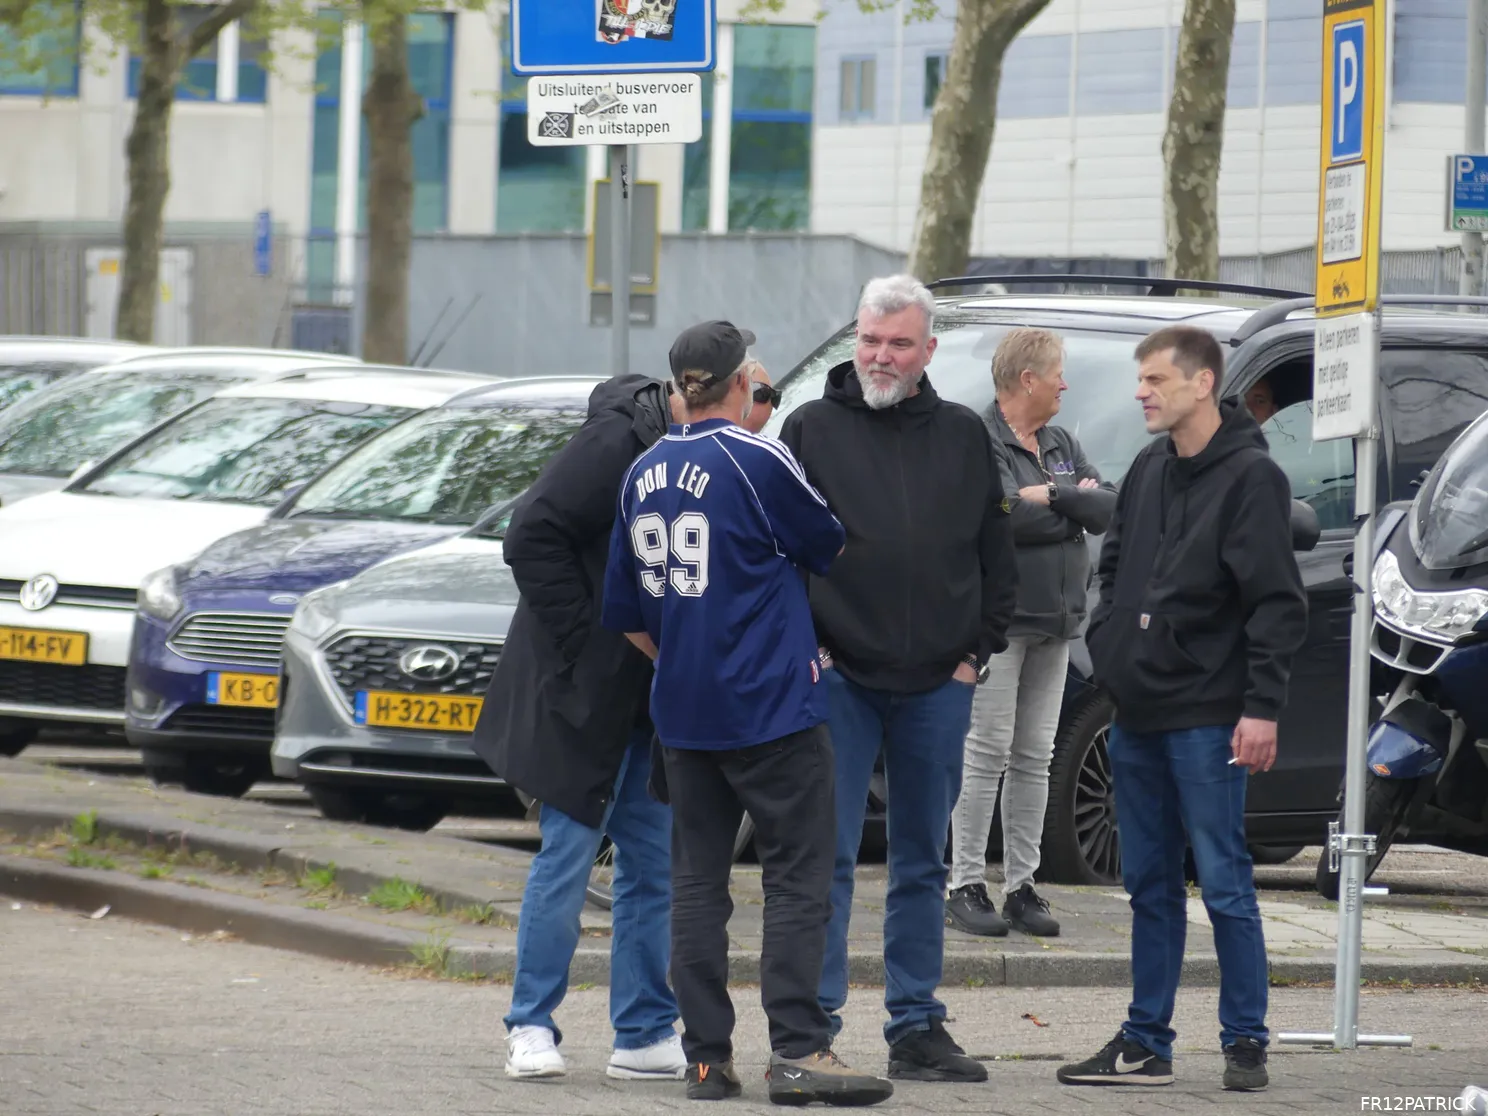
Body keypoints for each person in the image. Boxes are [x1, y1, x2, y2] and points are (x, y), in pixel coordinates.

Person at [603, 321, 893, 1108]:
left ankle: (705, 1059)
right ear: (739, 385)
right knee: (798, 879)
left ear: (674, 391)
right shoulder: (757, 455)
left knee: (696, 884)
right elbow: (827, 542)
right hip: (771, 706)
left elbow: (626, 610)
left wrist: (683, 655)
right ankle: (798, 1049)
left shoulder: (641, 472)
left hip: (683, 710)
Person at [779, 275, 1017, 1084]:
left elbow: (995, 553)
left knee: (924, 860)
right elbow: (776, 556)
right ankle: (814, 1031)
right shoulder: (808, 428)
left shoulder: (960, 435)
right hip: (839, 681)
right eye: (871, 339)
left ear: (928, 352)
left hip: (937, 687)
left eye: (899, 344)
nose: (881, 356)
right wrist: (810, 646)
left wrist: (974, 654)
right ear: (856, 338)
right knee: (828, 858)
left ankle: (916, 1026)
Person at [1057, 326, 1306, 1093]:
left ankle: (1246, 1042)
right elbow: (1115, 568)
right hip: (1135, 712)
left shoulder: (1252, 480)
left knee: (1225, 880)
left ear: (1202, 384)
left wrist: (1260, 709)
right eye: (1142, 380)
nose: (1143, 392)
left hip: (1210, 718)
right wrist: (1113, 655)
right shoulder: (1146, 468)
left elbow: (1276, 605)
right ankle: (1145, 1041)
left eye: (1157, 380)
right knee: (1150, 885)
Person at [471, 373, 686, 1082]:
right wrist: (584, 643)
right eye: (757, 397)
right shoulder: (617, 442)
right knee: (567, 852)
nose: (760, 414)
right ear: (702, 388)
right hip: (582, 694)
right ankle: (530, 1023)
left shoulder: (700, 449)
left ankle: (646, 1031)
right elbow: (530, 533)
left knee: (651, 862)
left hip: (641, 699)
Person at [946, 328, 1116, 939]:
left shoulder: (1060, 441)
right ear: (1027, 379)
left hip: (1060, 624)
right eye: (1057, 374)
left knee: (1035, 756)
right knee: (985, 751)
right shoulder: (980, 438)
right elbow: (1000, 517)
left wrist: (1053, 496)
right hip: (1004, 623)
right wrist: (1069, 507)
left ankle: (1021, 884)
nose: (1064, 385)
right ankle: (964, 881)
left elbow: (1107, 506)